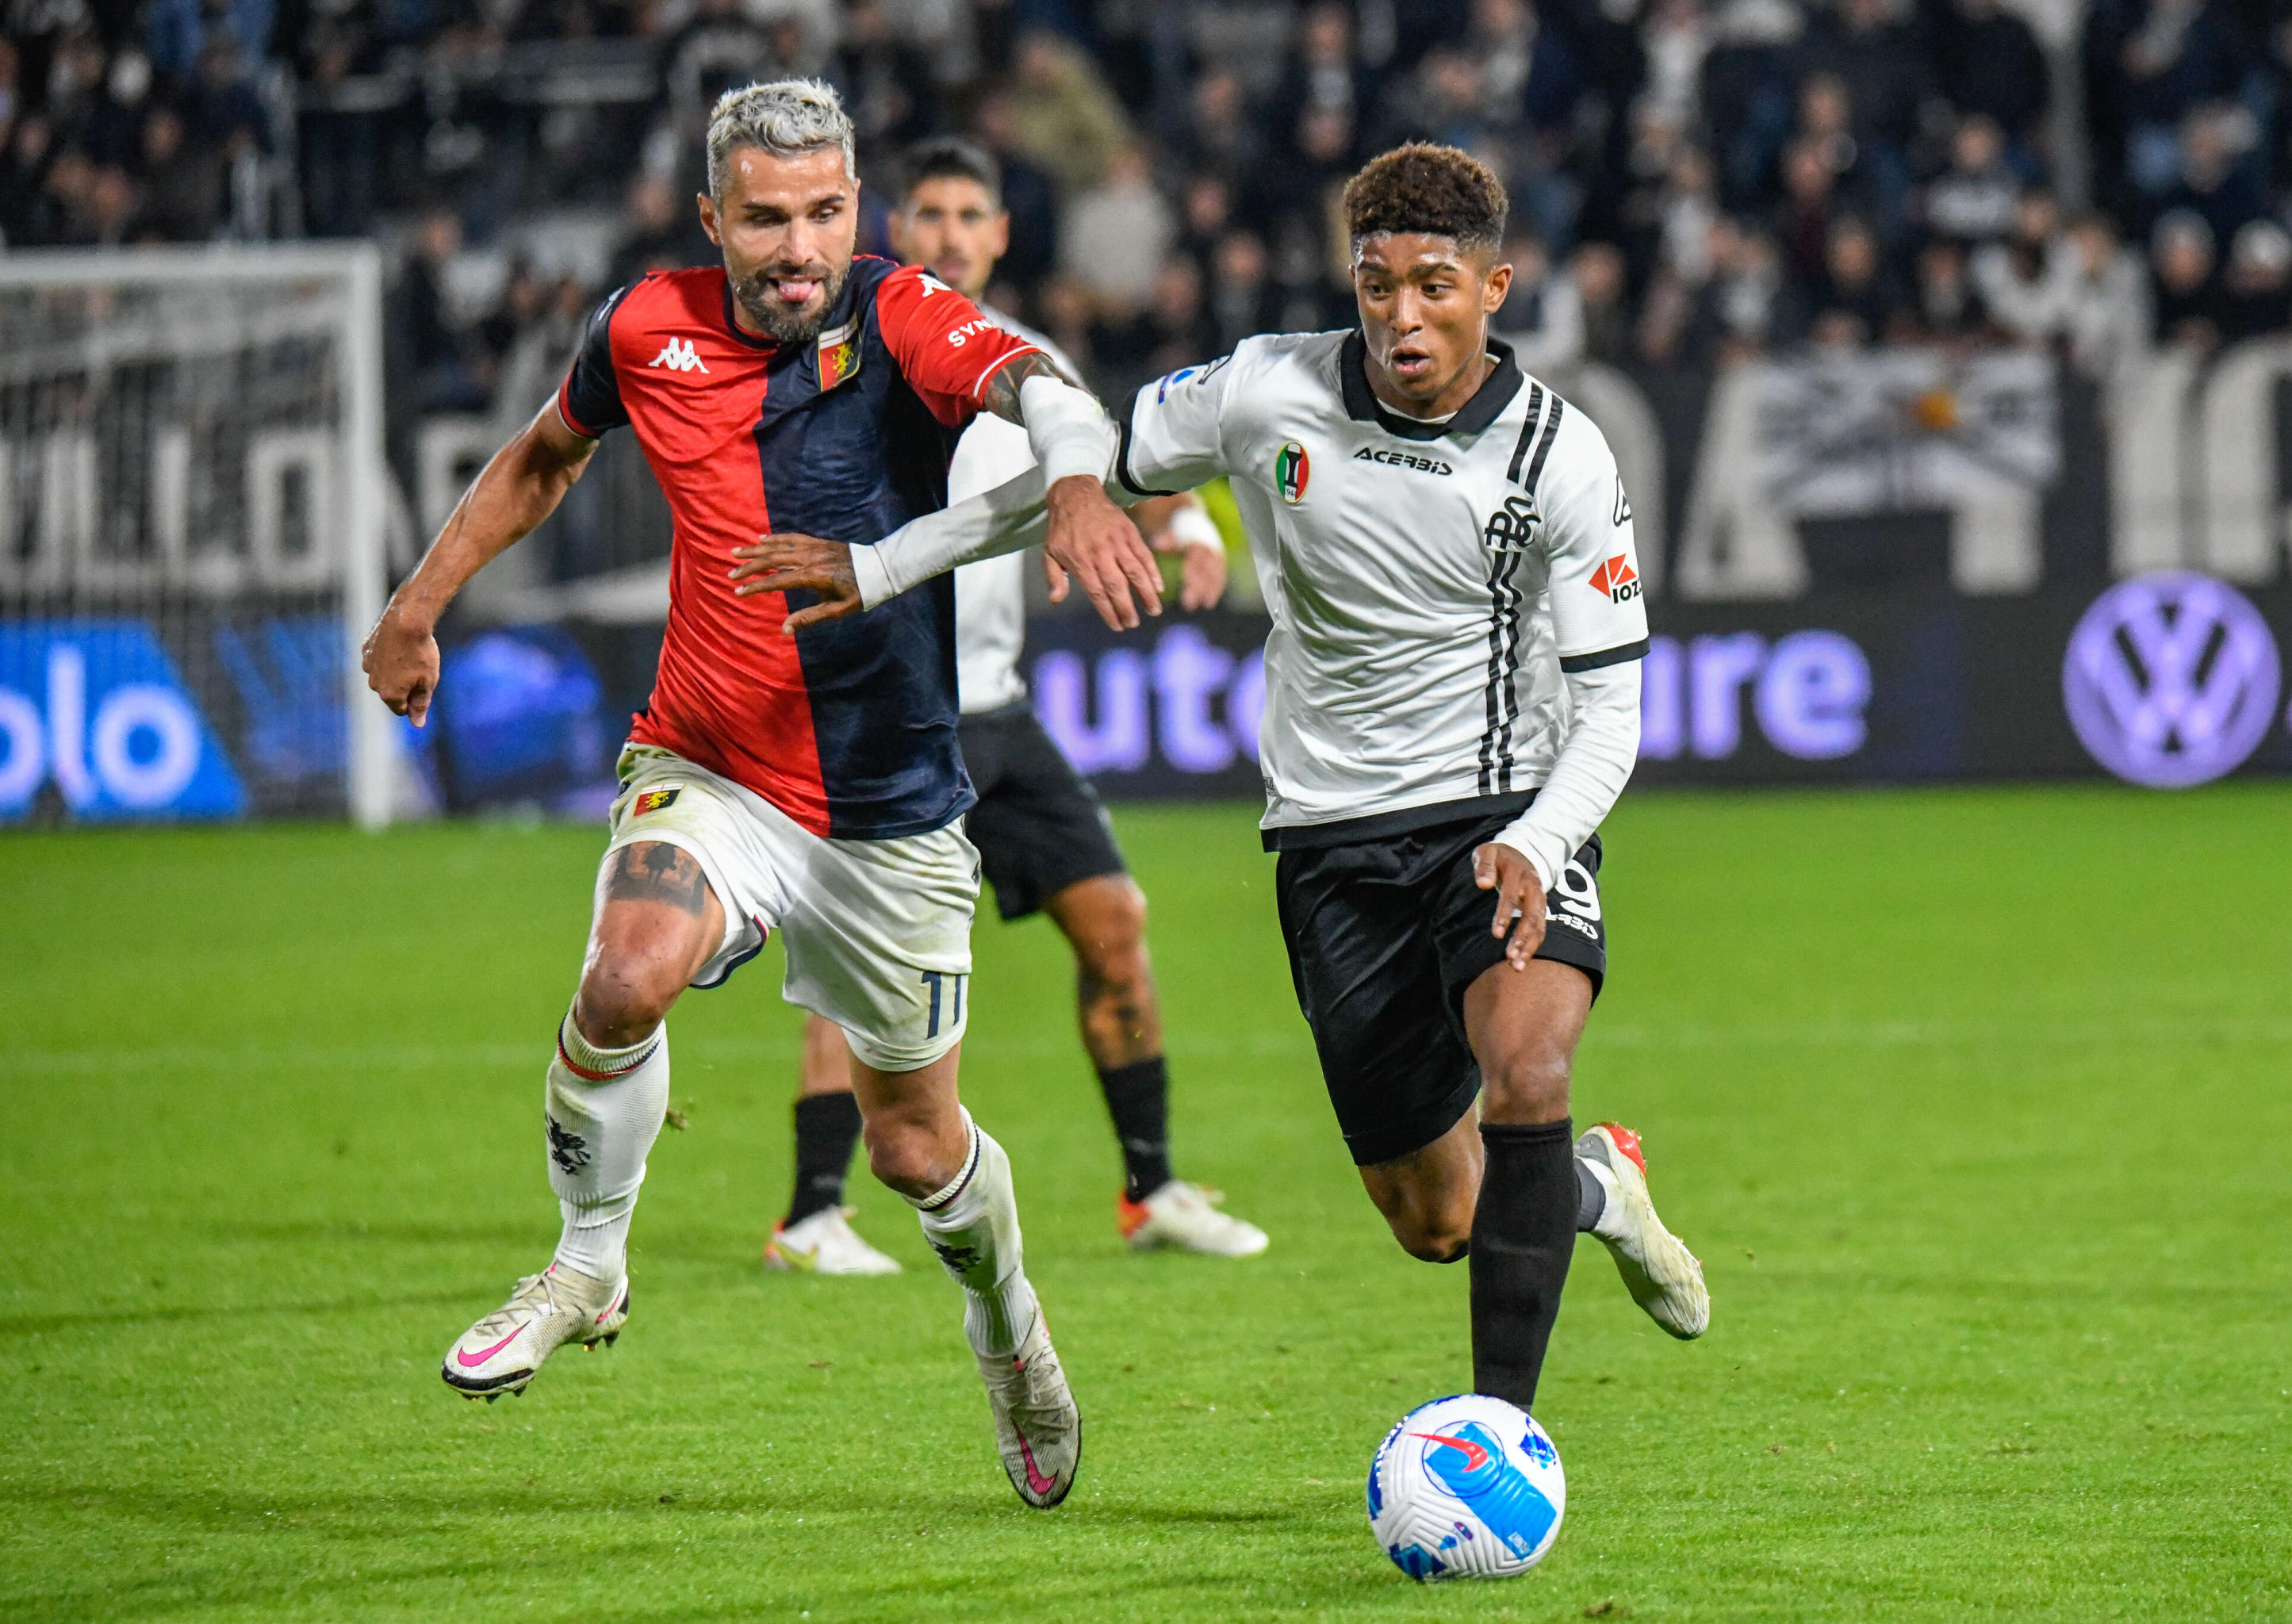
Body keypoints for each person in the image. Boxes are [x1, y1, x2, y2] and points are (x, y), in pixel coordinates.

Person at [769, 143, 1710, 1415]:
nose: (1402, 315)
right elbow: (1076, 474)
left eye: (1436, 285)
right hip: (1332, 840)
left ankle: (1497, 1442)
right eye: (1377, 283)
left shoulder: (1563, 455)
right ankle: (1595, 1187)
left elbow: (1614, 708)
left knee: (1529, 1073)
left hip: (1503, 818)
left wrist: (1544, 843)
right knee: (1434, 1217)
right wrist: (891, 562)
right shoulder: (1268, 389)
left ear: (1496, 289)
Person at [361, 79, 1168, 1510]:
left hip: (895, 811)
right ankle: (586, 1263)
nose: (798, 248)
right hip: (712, 762)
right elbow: (546, 455)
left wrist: (1086, 482)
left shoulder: (905, 313)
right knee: (623, 979)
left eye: (823, 214)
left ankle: (1011, 1333)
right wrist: (420, 605)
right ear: (711, 219)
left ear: (853, 207)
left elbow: (1045, 389)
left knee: (918, 1148)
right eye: (765, 219)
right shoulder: (642, 327)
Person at [768, 137, 1268, 1276]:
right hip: (889, 711)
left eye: (969, 215)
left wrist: (1182, 524)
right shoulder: (852, 353)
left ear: (1000, 234)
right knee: (859, 971)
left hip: (995, 714)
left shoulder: (1023, 362)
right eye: (929, 213)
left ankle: (1151, 1189)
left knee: (1117, 927)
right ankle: (809, 1214)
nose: (948, 234)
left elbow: (1104, 467)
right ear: (899, 228)